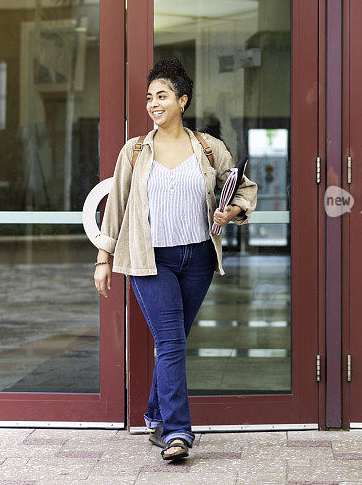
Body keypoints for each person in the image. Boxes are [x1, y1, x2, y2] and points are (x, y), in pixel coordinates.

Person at [93, 57, 258, 461]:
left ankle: (155, 414)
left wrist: (230, 212)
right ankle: (177, 433)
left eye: (162, 95)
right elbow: (115, 206)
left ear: (182, 100)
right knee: (170, 341)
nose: (153, 103)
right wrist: (103, 257)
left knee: (173, 343)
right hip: (151, 260)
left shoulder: (207, 147)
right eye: (149, 97)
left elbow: (243, 188)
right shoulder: (134, 152)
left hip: (198, 258)